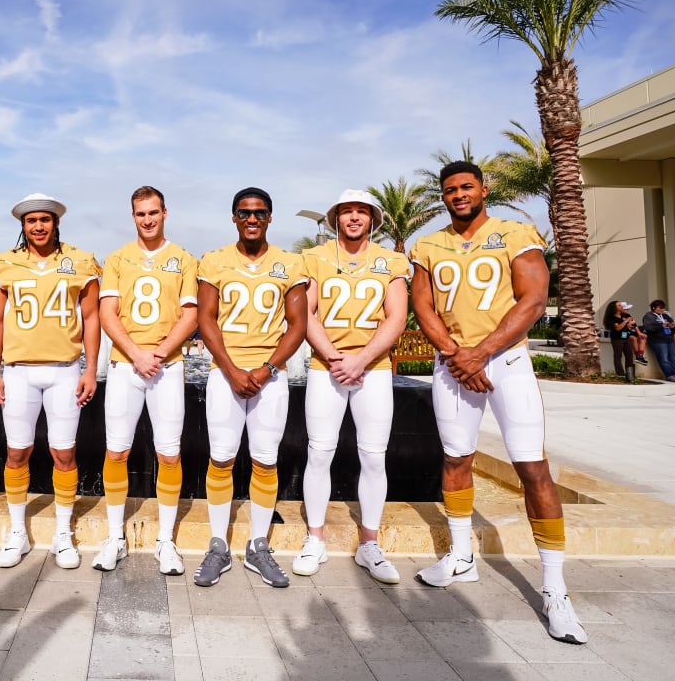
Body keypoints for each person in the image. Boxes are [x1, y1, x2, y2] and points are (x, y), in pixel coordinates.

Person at [408, 161, 587, 644]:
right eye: (450, 190)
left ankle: (555, 589)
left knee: (532, 468)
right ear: (442, 197)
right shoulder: (427, 245)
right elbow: (422, 304)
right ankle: (462, 557)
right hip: (453, 366)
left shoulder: (514, 232)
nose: (459, 195)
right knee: (455, 460)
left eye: (466, 187)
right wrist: (454, 353)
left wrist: (481, 353)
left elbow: (532, 299)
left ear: (483, 189)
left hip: (505, 364)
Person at [293, 189, 409, 581]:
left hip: (373, 368)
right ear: (335, 218)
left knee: (374, 456)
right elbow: (305, 313)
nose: (354, 217)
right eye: (347, 211)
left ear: (372, 218)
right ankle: (315, 539)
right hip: (326, 367)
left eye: (361, 211)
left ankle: (370, 544)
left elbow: (396, 317)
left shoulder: (391, 260)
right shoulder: (315, 257)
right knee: (320, 451)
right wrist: (335, 357)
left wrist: (360, 359)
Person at [194, 187, 307, 588]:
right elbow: (206, 319)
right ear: (234, 217)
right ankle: (218, 545)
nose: (252, 218)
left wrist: (266, 367)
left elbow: (298, 324)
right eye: (244, 212)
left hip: (269, 377)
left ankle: (258, 546)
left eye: (259, 212)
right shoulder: (214, 260)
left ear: (270, 217)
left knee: (265, 459)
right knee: (221, 457)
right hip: (226, 374)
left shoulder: (289, 263)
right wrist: (229, 368)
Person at [0, 193, 101, 569]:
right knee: (17, 451)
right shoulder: (4, 262)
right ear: (22, 224)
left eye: (45, 220)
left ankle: (63, 532)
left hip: (64, 369)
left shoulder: (80, 260)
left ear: (56, 223)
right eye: (31, 220)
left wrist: (89, 369)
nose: (38, 226)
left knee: (63, 453)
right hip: (19, 370)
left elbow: (91, 318)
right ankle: (17, 530)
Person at [94, 186, 198, 575]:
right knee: (116, 451)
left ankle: (166, 539)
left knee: (168, 453)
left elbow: (189, 317)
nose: (148, 220)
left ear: (165, 213)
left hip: (167, 368)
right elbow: (108, 313)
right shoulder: (117, 258)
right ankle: (114, 537)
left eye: (153, 212)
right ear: (133, 216)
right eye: (141, 214)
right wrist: (137, 354)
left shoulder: (184, 259)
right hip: (125, 366)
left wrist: (158, 353)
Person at [642, 300, 675, 382]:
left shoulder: (665, 315)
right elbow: (649, 328)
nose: (662, 310)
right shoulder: (648, 316)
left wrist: (672, 327)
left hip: (669, 339)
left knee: (673, 358)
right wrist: (661, 326)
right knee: (664, 359)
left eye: (663, 308)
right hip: (658, 340)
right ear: (654, 308)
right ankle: (670, 376)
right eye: (660, 308)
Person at [603, 301, 636, 382]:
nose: (622, 306)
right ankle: (620, 375)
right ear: (614, 307)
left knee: (629, 355)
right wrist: (626, 322)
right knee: (618, 356)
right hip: (617, 339)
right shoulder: (611, 318)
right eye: (619, 305)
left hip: (627, 337)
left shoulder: (625, 315)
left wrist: (629, 323)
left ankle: (630, 375)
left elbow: (633, 323)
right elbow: (618, 328)